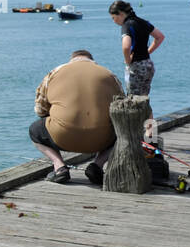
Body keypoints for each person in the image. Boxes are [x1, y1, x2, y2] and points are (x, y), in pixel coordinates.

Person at [30, 49, 123, 185]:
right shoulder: (109, 74)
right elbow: (122, 107)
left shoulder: (55, 73)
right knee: (123, 133)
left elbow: (40, 109)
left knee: (35, 130)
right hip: (101, 139)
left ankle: (59, 167)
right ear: (92, 61)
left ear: (71, 60)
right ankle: (97, 164)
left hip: (62, 137)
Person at [108, 0, 164, 96]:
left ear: (121, 14)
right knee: (144, 97)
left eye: (113, 18)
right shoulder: (143, 22)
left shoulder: (126, 25)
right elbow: (160, 37)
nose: (113, 21)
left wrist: (128, 60)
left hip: (136, 67)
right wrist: (148, 51)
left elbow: (126, 46)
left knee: (133, 99)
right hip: (147, 64)